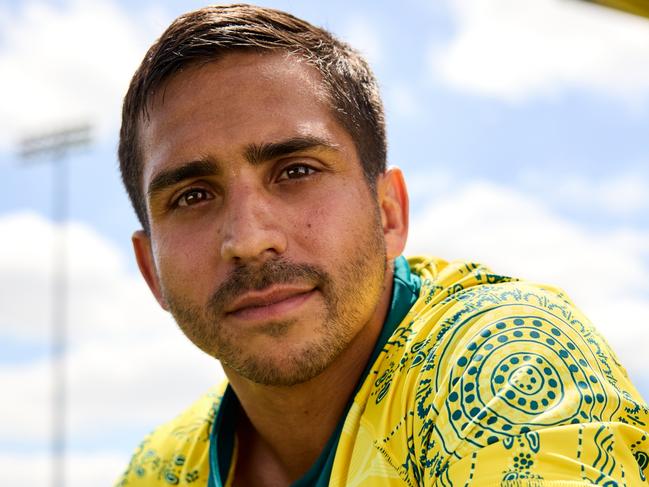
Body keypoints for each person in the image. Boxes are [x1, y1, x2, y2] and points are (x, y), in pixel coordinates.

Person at [115, 4, 649, 486]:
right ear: (151, 270)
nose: (250, 240)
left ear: (389, 213)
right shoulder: (161, 468)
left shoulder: (507, 361)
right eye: (192, 197)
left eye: (296, 171)